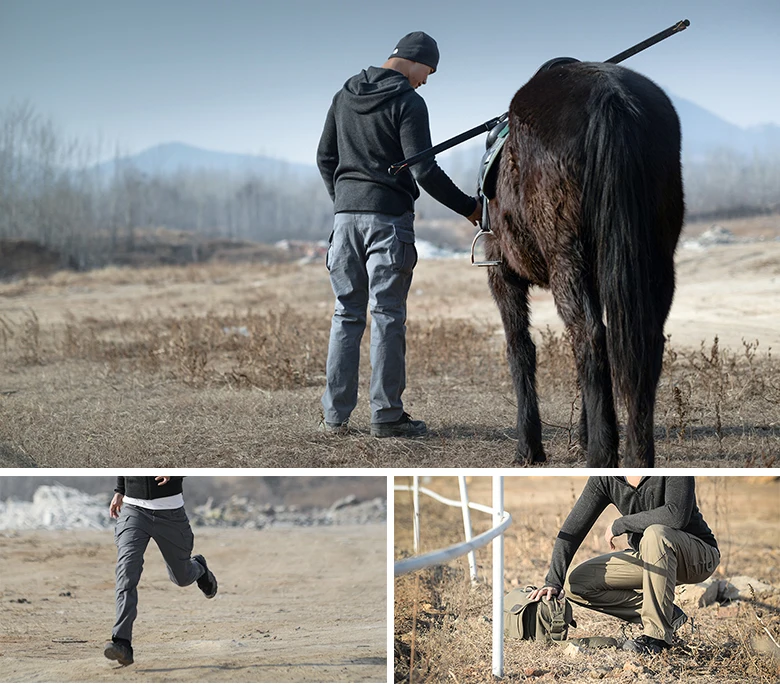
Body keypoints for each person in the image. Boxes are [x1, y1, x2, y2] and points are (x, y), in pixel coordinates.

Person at [317, 30, 482, 438]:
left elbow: (325, 158)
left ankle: (334, 419)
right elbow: (423, 170)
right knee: (387, 316)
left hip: (344, 220)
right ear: (415, 59)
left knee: (346, 314)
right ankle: (386, 417)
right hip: (388, 221)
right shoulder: (408, 102)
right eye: (430, 70)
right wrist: (469, 207)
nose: (427, 79)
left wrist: (345, 201)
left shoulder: (344, 95)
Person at [528, 476, 720, 654]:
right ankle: (667, 614)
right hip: (650, 555)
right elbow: (573, 529)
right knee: (576, 584)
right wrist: (553, 581)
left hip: (697, 557)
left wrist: (621, 524)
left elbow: (675, 515)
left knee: (655, 534)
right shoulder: (606, 476)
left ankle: (656, 639)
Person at [103, 476, 217, 666]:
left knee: (181, 577)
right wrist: (120, 490)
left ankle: (199, 569)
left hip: (170, 513)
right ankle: (122, 643)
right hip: (133, 511)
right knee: (126, 573)